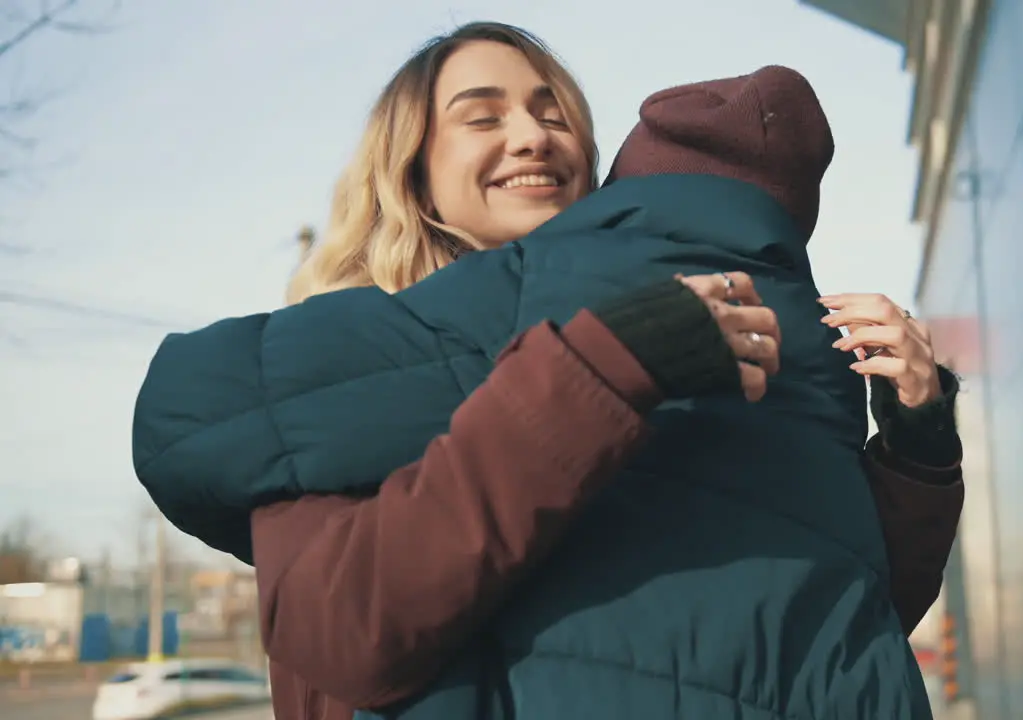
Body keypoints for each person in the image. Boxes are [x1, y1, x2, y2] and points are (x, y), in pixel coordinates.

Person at [131, 22, 963, 720]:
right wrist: (597, 374)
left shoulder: (694, 341)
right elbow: (348, 636)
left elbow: (828, 618)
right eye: (481, 117)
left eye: (553, 113)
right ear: (412, 169)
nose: (532, 135)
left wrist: (917, 443)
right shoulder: (343, 371)